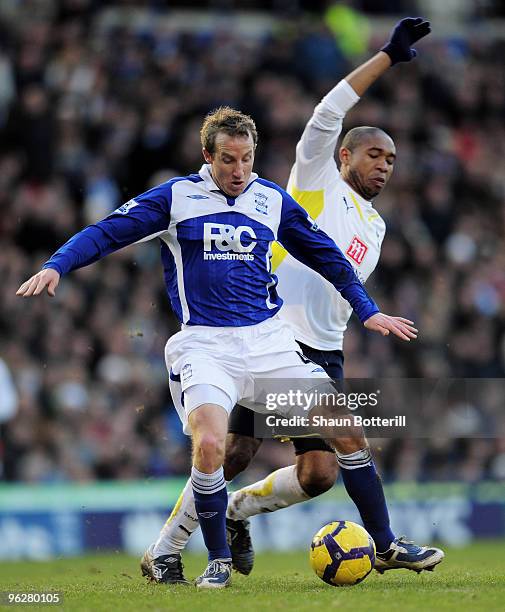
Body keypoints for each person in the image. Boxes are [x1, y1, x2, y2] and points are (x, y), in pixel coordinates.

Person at [17, 40, 418, 594]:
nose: (238, 170)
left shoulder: (272, 200)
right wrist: (59, 264)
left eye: (247, 159)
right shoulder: (180, 197)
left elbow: (325, 256)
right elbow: (107, 231)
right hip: (207, 343)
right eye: (228, 159)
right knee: (216, 449)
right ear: (209, 156)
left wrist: (370, 312)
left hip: (273, 342)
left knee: (342, 440)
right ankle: (212, 558)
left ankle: (385, 543)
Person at [140, 17, 443, 585]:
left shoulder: (374, 225)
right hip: (270, 337)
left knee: (319, 472)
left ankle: (233, 514)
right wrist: (386, 56)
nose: (383, 165)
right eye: (374, 154)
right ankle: (166, 550)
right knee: (232, 453)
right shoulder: (314, 182)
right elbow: (327, 113)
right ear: (345, 157)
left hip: (324, 350)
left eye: (391, 160)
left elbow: (340, 286)